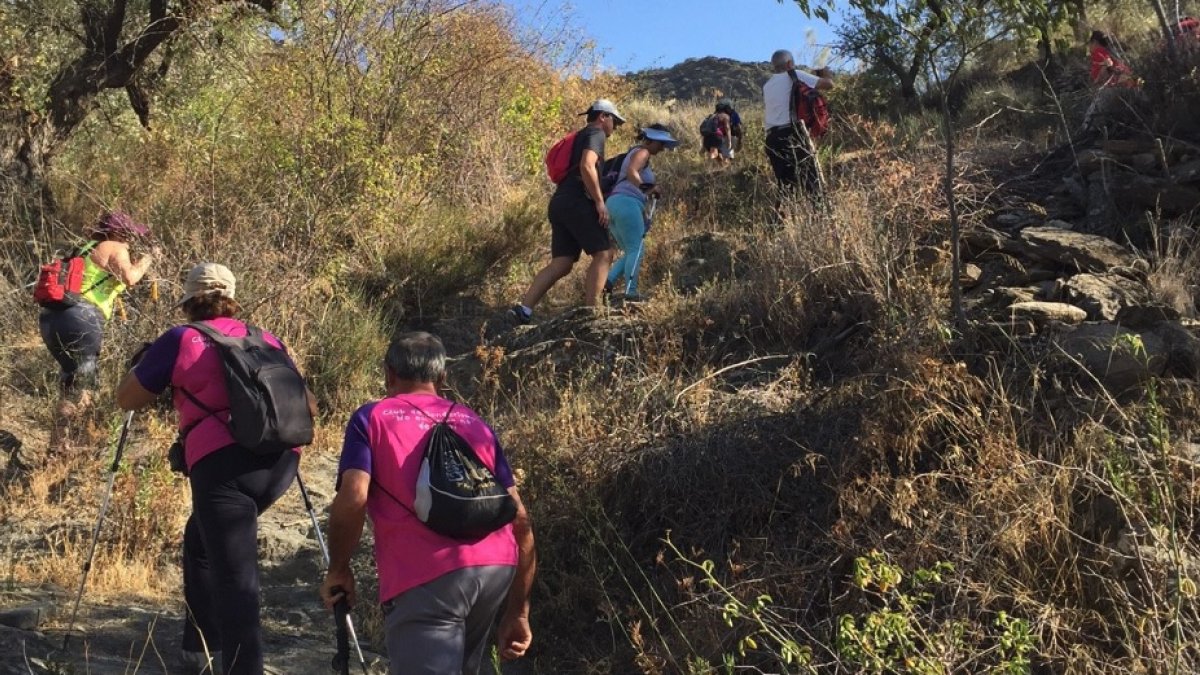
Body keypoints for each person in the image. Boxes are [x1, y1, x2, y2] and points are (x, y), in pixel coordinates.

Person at [116, 263, 310, 675]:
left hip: (223, 467)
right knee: (201, 542)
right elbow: (308, 406)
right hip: (280, 463)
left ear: (189, 301)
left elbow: (127, 399)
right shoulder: (265, 338)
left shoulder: (181, 339)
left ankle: (240, 666)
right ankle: (198, 647)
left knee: (236, 580)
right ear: (232, 298)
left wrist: (148, 364)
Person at [320, 332, 537, 674]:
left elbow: (354, 497)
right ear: (442, 378)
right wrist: (518, 612)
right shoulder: (475, 423)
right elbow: (519, 519)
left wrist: (339, 568)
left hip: (426, 576)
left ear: (388, 374)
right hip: (496, 567)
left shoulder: (371, 418)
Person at [39, 210, 158, 450]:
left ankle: (62, 444)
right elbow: (131, 278)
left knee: (72, 380)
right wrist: (148, 259)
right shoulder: (115, 246)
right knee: (83, 383)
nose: (130, 239)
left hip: (53, 317)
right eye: (129, 233)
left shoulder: (87, 247)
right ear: (118, 231)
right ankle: (67, 446)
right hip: (82, 316)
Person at [509, 99, 625, 324]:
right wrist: (600, 202)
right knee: (604, 254)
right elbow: (587, 165)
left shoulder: (580, 135)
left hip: (560, 201)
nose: (615, 127)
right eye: (615, 121)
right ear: (603, 117)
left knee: (562, 263)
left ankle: (523, 310)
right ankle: (594, 314)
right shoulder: (596, 133)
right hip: (578, 201)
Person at [603, 124, 678, 302]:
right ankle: (631, 293)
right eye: (661, 144)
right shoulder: (642, 152)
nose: (662, 149)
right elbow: (631, 172)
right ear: (652, 140)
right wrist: (649, 188)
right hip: (626, 203)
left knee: (631, 250)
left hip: (614, 204)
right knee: (636, 250)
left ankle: (607, 283)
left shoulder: (636, 152)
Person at [761, 50, 834, 202]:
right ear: (789, 64)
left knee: (786, 187)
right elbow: (828, 85)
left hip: (772, 139)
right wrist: (825, 73)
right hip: (793, 134)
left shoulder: (767, 86)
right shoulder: (795, 74)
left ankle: (784, 221)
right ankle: (819, 216)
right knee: (812, 181)